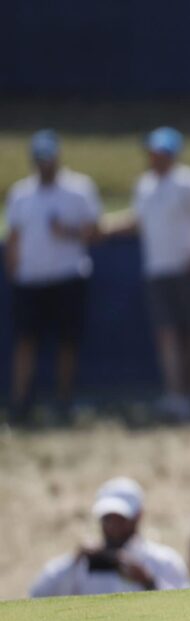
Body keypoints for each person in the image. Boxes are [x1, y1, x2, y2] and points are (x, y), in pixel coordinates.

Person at [105, 127, 190, 422]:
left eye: (160, 152)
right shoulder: (145, 185)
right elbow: (138, 221)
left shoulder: (188, 181)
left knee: (189, 335)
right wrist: (104, 228)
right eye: (152, 151)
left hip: (188, 271)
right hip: (157, 270)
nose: (154, 157)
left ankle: (187, 396)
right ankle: (174, 396)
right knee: (166, 333)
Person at [4, 130, 102, 425]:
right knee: (25, 341)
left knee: (67, 342)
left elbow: (95, 231)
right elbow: (14, 237)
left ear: (58, 157)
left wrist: (68, 232)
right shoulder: (20, 193)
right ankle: (20, 403)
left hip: (67, 277)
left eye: (48, 158)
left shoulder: (79, 189)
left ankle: (64, 401)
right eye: (39, 159)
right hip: (29, 280)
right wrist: (13, 271)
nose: (44, 164)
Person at [30, 477, 189, 597]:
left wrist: (148, 582)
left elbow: (187, 610)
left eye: (120, 518)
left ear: (138, 516)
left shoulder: (163, 562)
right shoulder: (86, 564)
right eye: (107, 518)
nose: (113, 526)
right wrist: (74, 561)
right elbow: (38, 594)